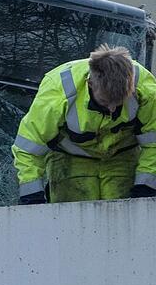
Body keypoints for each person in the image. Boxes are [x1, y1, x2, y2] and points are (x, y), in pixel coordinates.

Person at [12, 44, 156, 204]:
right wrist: (32, 196)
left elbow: (154, 144)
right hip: (69, 160)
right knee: (72, 217)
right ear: (90, 83)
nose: (112, 108)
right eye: (105, 101)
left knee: (124, 216)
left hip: (122, 157)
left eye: (120, 101)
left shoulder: (146, 89)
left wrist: (146, 185)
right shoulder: (58, 91)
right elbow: (29, 148)